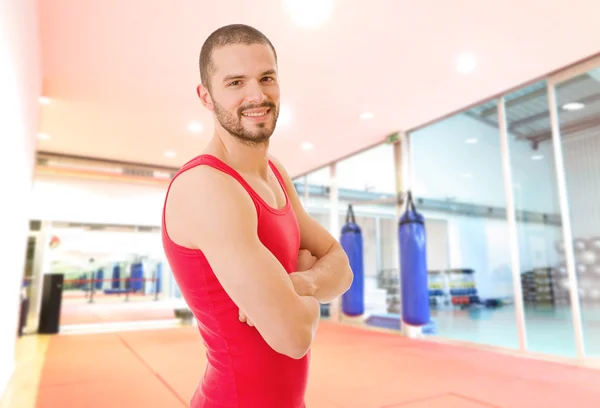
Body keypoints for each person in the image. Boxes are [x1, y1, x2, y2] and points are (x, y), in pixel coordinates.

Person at [161, 24, 353, 408]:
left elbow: (342, 268)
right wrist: (311, 295)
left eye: (267, 78)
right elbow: (293, 337)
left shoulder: (276, 172)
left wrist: (299, 286)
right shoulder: (206, 185)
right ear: (206, 97)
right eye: (235, 82)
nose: (257, 94)